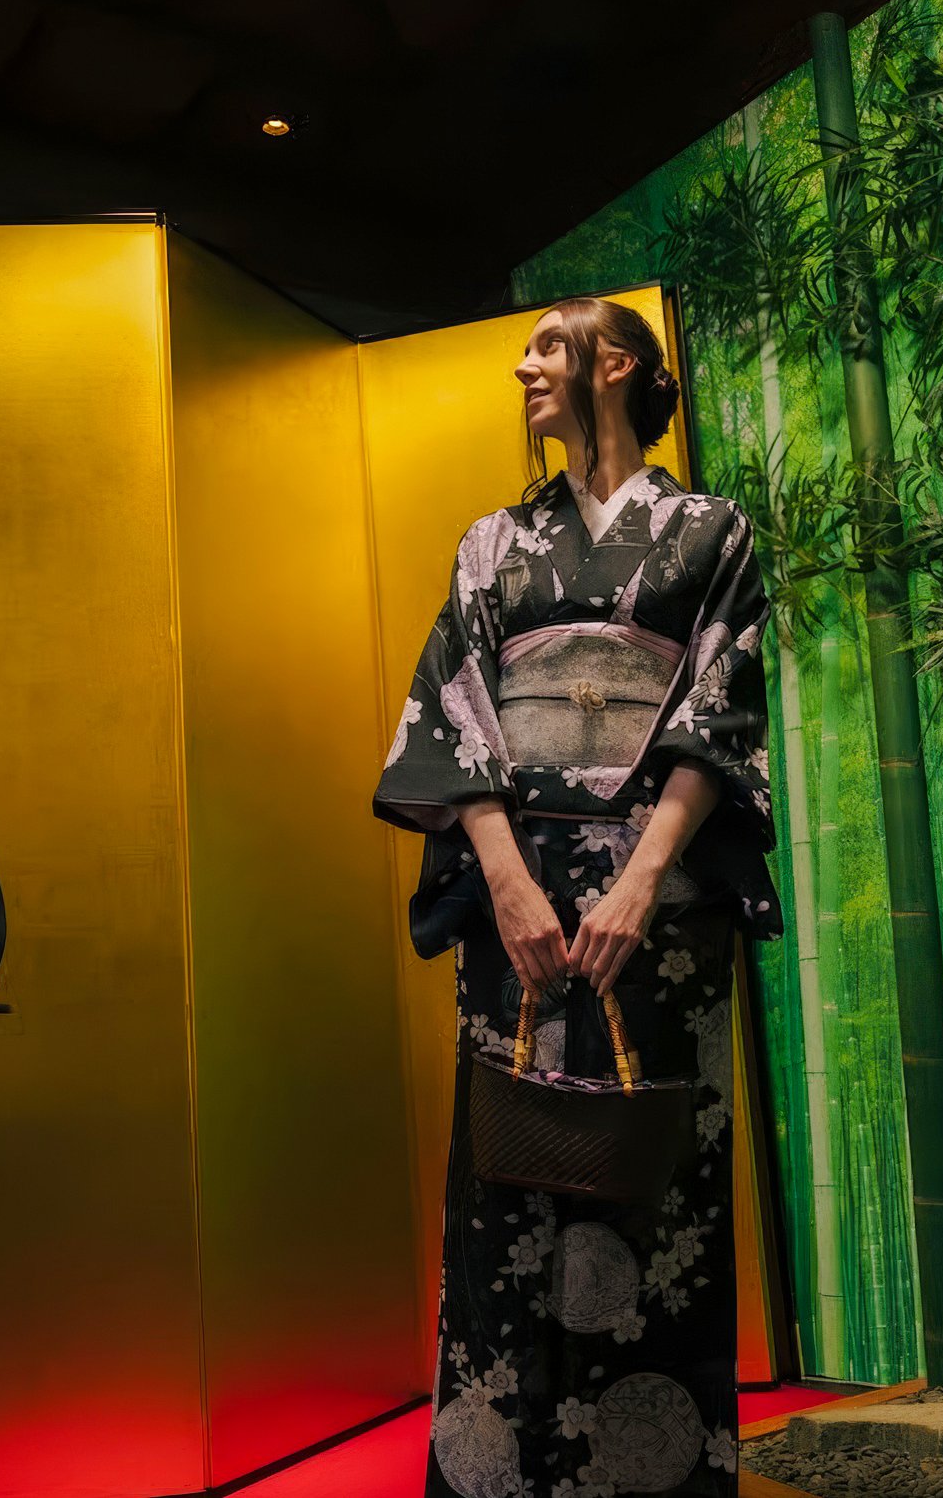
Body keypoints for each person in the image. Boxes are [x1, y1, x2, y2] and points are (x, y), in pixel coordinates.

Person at [373, 296, 782, 1498]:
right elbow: (450, 705)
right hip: (524, 908)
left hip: (656, 914)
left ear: (616, 363)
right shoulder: (492, 544)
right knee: (510, 1178)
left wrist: (644, 880)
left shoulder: (713, 533)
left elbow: (724, 712)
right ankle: (501, 1471)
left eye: (547, 346)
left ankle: (653, 1474)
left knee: (655, 1178)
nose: (523, 365)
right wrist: (502, 878)